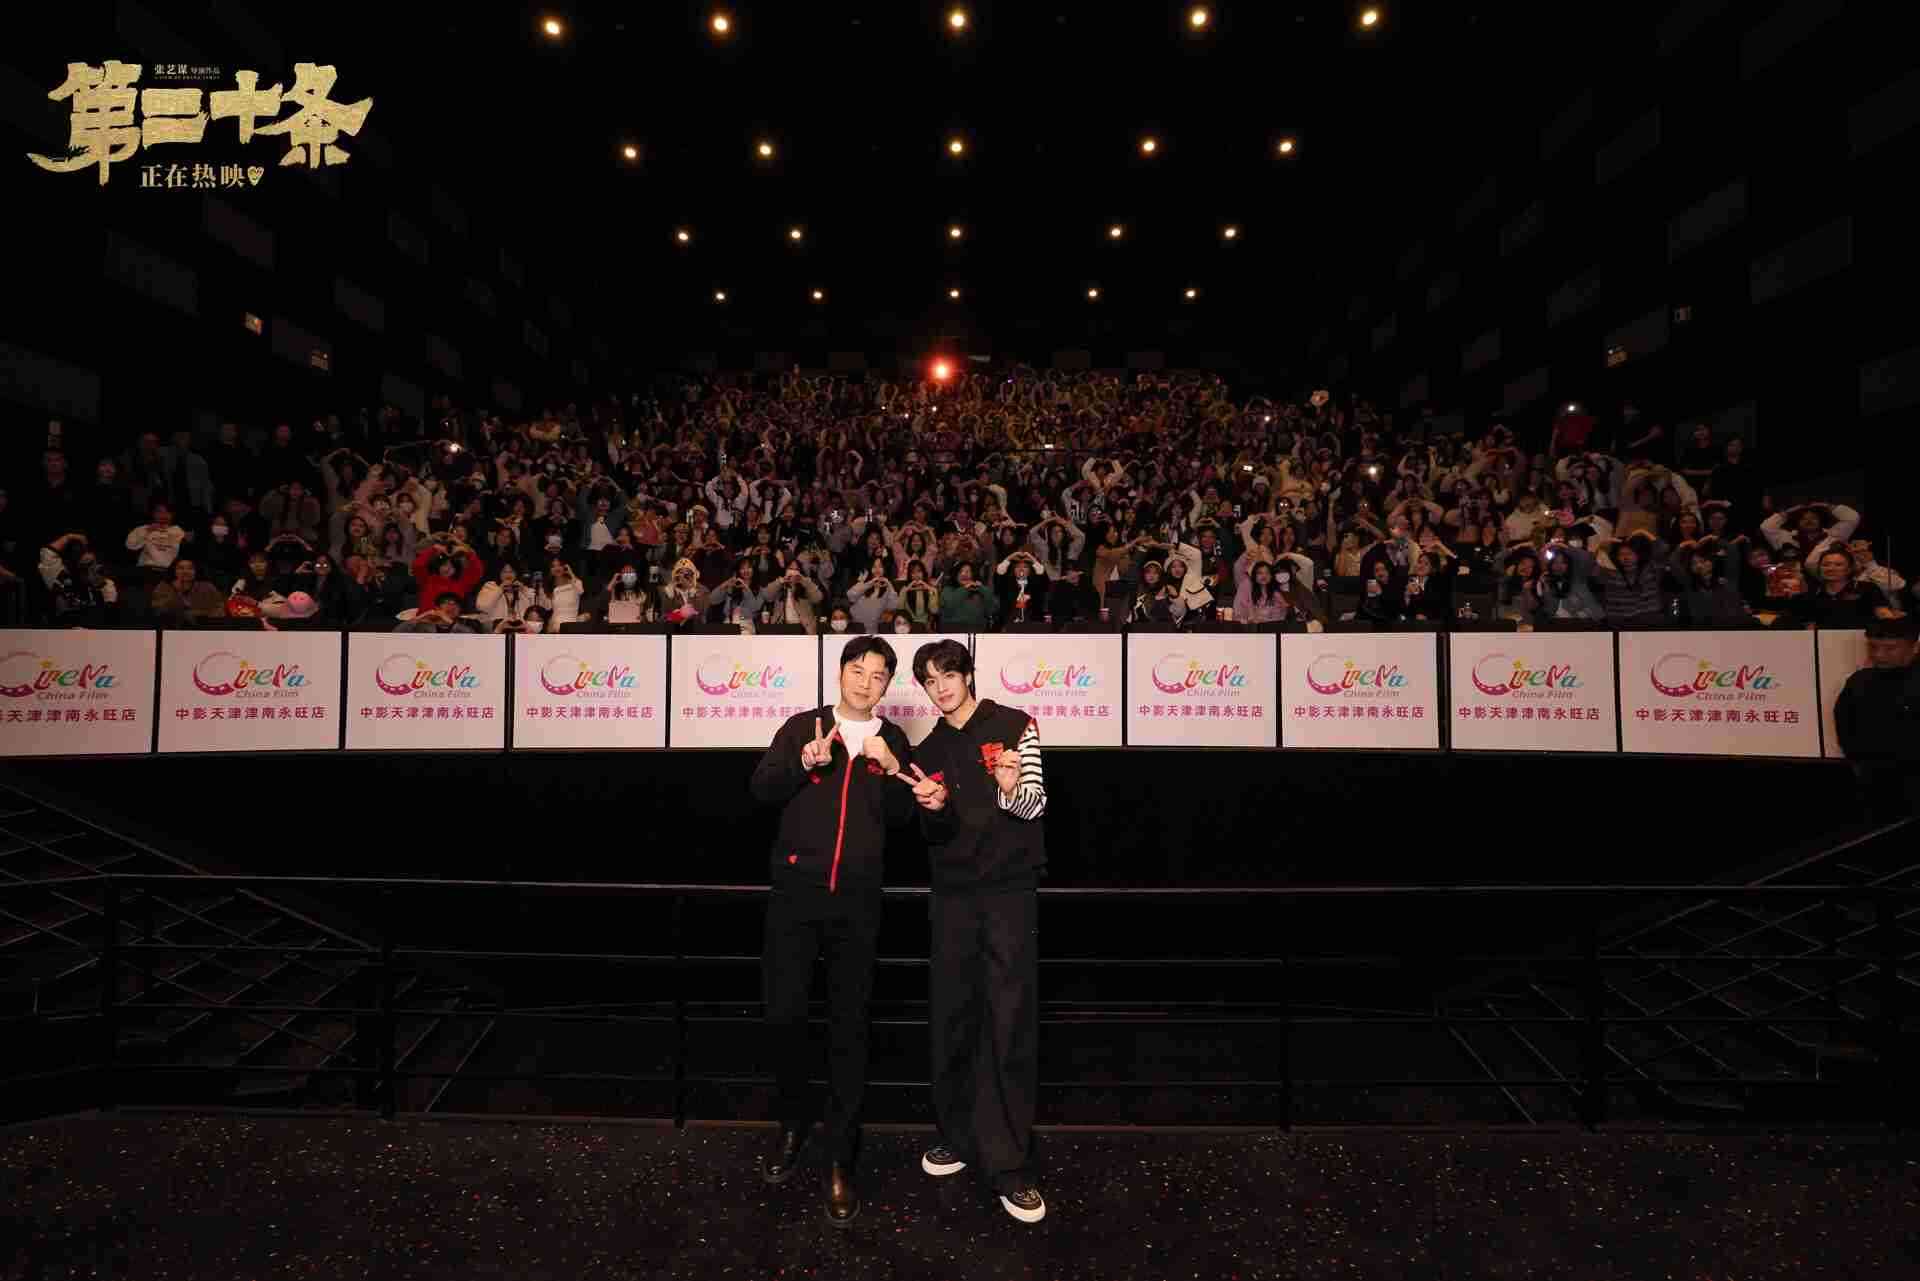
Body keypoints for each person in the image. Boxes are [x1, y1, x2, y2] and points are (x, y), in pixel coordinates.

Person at [748, 637, 918, 1227]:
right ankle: (793, 1124)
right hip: (795, 898)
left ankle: (841, 1155)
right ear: (840, 673)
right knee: (784, 1016)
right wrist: (803, 763)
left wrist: (891, 769)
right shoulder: (804, 726)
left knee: (850, 1031)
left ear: (887, 684)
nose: (866, 683)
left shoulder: (893, 739)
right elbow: (761, 789)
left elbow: (904, 818)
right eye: (857, 670)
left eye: (878, 675)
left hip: (858, 904)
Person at [906, 638, 1049, 1224]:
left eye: (948, 675)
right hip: (953, 899)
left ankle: (1009, 1163)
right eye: (929, 680)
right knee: (953, 1016)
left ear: (968, 674)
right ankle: (959, 1136)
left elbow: (1037, 805)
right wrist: (933, 809)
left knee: (1008, 1021)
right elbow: (934, 837)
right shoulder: (929, 748)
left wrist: (1010, 788)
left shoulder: (1014, 724)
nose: (940, 688)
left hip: (1009, 893)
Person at [1833, 618, 1920, 822]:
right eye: (1873, 647)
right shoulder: (1859, 681)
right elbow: (1844, 722)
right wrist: (1857, 760)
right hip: (1872, 780)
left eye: (1890, 648)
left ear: (1914, 647)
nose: (1879, 655)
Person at [149, 558, 224, 626]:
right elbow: (158, 611)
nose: (185, 571)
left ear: (196, 571)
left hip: (205, 628)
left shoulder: (207, 587)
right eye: (180, 568)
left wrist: (199, 615)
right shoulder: (163, 587)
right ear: (174, 571)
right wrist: (178, 592)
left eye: (190, 568)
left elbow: (220, 609)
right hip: (171, 629)